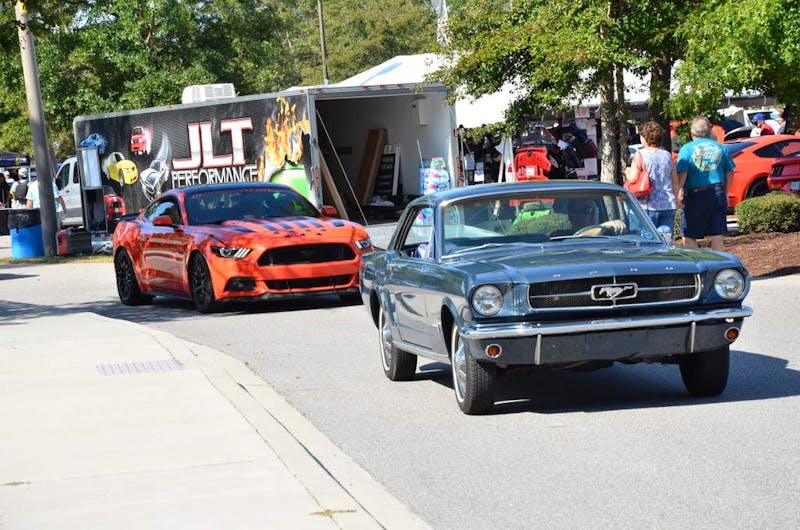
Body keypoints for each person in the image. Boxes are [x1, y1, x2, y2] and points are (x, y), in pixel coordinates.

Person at [676, 116, 734, 252]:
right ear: (710, 132)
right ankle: (718, 262)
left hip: (695, 195)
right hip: (718, 192)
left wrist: (678, 192)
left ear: (692, 132)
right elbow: (730, 173)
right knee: (716, 233)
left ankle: (697, 261)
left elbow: (682, 173)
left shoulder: (687, 149)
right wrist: (725, 192)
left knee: (688, 233)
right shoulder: (721, 148)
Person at [625, 121, 679, 239]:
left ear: (644, 138)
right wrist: (676, 201)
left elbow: (633, 178)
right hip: (667, 204)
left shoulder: (640, 155)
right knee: (665, 240)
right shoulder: (667, 155)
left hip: (646, 205)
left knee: (643, 241)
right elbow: (675, 181)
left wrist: (627, 172)